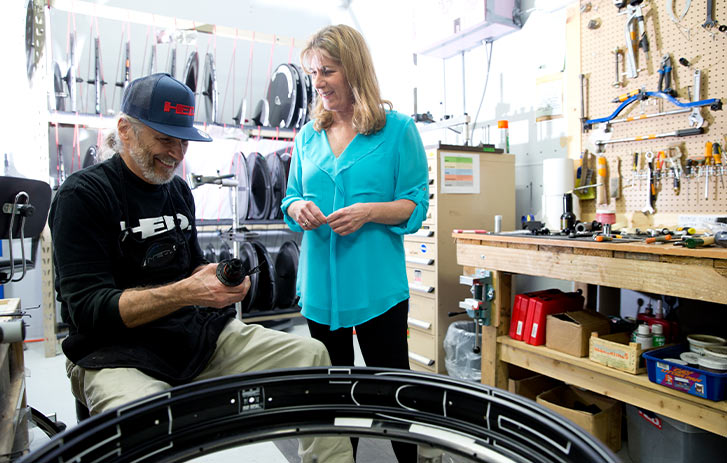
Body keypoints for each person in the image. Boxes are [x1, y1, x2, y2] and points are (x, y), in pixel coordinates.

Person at [49, 73, 354, 463]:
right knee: (149, 418)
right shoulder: (83, 196)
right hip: (112, 354)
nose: (176, 153)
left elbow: (191, 267)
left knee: (311, 356)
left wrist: (220, 287)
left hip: (190, 338)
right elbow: (87, 311)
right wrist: (186, 292)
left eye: (183, 141)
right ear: (125, 130)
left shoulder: (176, 191)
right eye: (164, 139)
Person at [281, 25, 429, 462]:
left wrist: (369, 211)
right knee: (335, 397)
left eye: (327, 71)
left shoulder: (397, 130)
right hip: (322, 290)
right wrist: (298, 209)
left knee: (394, 393)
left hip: (377, 288)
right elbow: (289, 197)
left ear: (354, 70)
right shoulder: (307, 136)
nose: (319, 83)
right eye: (313, 74)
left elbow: (415, 204)